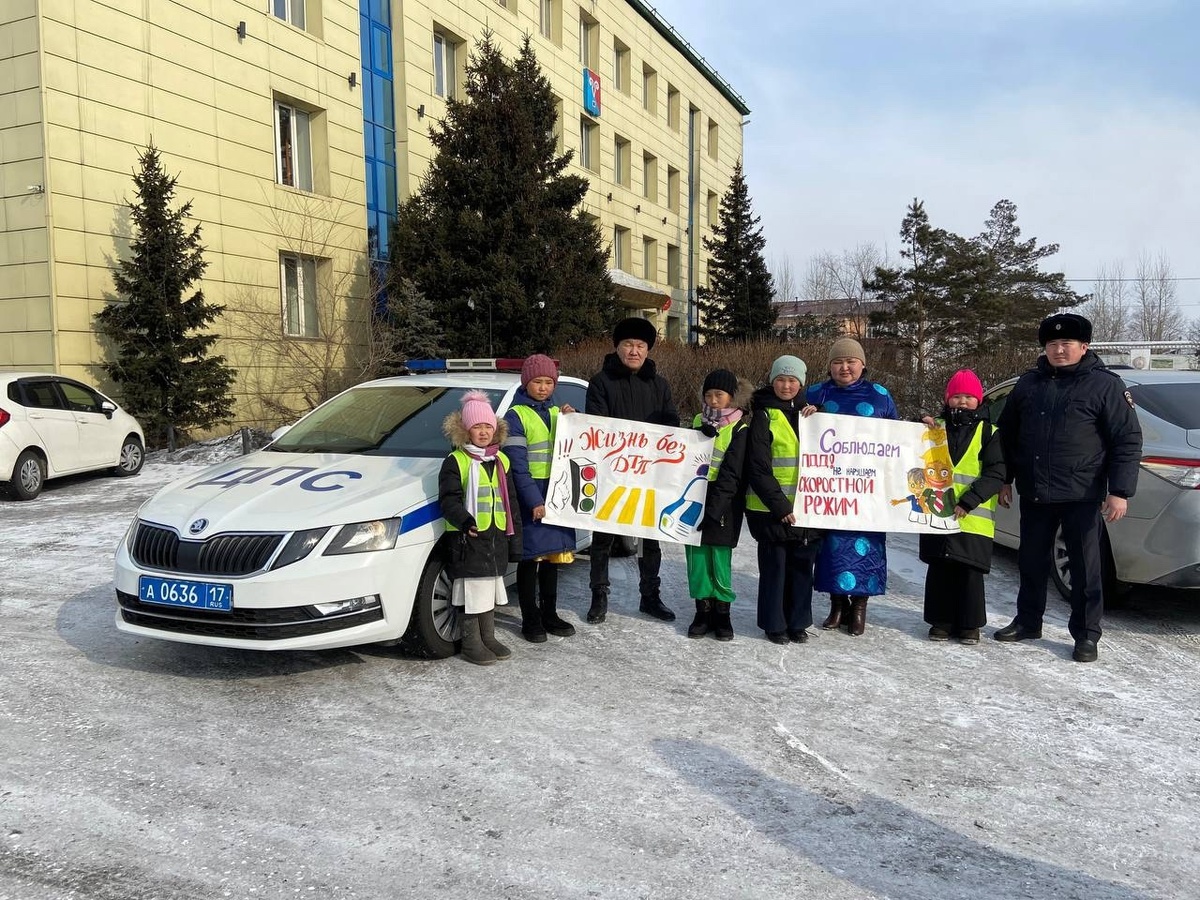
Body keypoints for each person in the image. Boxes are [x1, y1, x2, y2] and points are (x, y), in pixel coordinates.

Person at [994, 313, 1142, 663]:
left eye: (1066, 343)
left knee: (1085, 569)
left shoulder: (1105, 385)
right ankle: (1028, 621)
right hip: (1035, 491)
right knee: (1031, 561)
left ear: (1084, 346)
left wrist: (1119, 491)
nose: (1059, 350)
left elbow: (1126, 440)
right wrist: (1005, 478)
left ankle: (1086, 635)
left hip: (1082, 493)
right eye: (1052, 344)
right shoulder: (1029, 384)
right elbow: (1007, 434)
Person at [585, 316, 680, 624]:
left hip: (649, 476)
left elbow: (671, 427)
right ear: (617, 347)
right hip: (611, 476)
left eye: (640, 345)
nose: (634, 351)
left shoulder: (659, 385)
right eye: (628, 344)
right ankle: (599, 595)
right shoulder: (601, 382)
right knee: (603, 540)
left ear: (648, 349)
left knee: (650, 540)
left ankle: (650, 596)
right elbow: (596, 427)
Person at [803, 337, 899, 636]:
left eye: (850, 362)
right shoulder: (816, 393)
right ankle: (837, 604)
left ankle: (859, 606)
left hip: (867, 489)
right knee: (831, 548)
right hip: (830, 488)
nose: (844, 367)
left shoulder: (879, 395)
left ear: (862, 365)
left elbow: (897, 439)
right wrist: (806, 416)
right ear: (829, 366)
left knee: (865, 546)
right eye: (838, 362)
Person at [918, 370, 1005, 645]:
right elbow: (909, 450)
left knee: (969, 572)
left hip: (973, 517)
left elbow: (996, 473)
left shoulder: (989, 432)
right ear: (947, 399)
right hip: (938, 514)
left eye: (969, 396)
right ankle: (940, 621)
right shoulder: (934, 428)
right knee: (940, 569)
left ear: (979, 400)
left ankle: (970, 624)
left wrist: (969, 500)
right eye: (957, 396)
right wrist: (917, 426)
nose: (963, 401)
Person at [438, 390, 523, 666]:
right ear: (466, 430)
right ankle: (471, 643)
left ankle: (488, 637)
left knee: (489, 589)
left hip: (495, 538)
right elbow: (448, 500)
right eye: (477, 427)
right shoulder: (457, 461)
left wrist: (515, 542)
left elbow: (511, 502)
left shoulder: (501, 460)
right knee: (473, 592)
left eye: (488, 426)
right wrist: (465, 521)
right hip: (469, 539)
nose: (484, 432)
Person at [746, 355, 823, 644]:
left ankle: (798, 622)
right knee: (775, 570)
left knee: (802, 569)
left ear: (801, 383)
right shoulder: (763, 415)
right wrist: (780, 506)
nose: (786, 386)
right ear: (772, 381)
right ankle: (774, 624)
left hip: (808, 509)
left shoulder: (813, 415)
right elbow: (758, 467)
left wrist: (822, 415)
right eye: (781, 379)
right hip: (771, 510)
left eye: (792, 380)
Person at [502, 354, 578, 643]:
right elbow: (517, 466)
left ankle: (550, 614)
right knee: (530, 559)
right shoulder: (515, 416)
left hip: (558, 493)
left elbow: (579, 444)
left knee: (552, 557)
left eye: (549, 382)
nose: (544, 387)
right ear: (526, 383)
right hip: (531, 495)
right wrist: (534, 500)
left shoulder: (559, 413)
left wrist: (574, 418)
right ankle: (530, 619)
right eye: (537, 382)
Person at [684, 368, 751, 641]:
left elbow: (733, 473)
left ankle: (723, 613)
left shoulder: (740, 427)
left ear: (731, 397)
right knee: (697, 557)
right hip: (695, 495)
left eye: (719, 395)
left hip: (725, 503)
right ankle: (702, 610)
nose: (713, 400)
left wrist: (714, 511)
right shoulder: (697, 420)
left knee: (719, 559)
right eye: (709, 395)